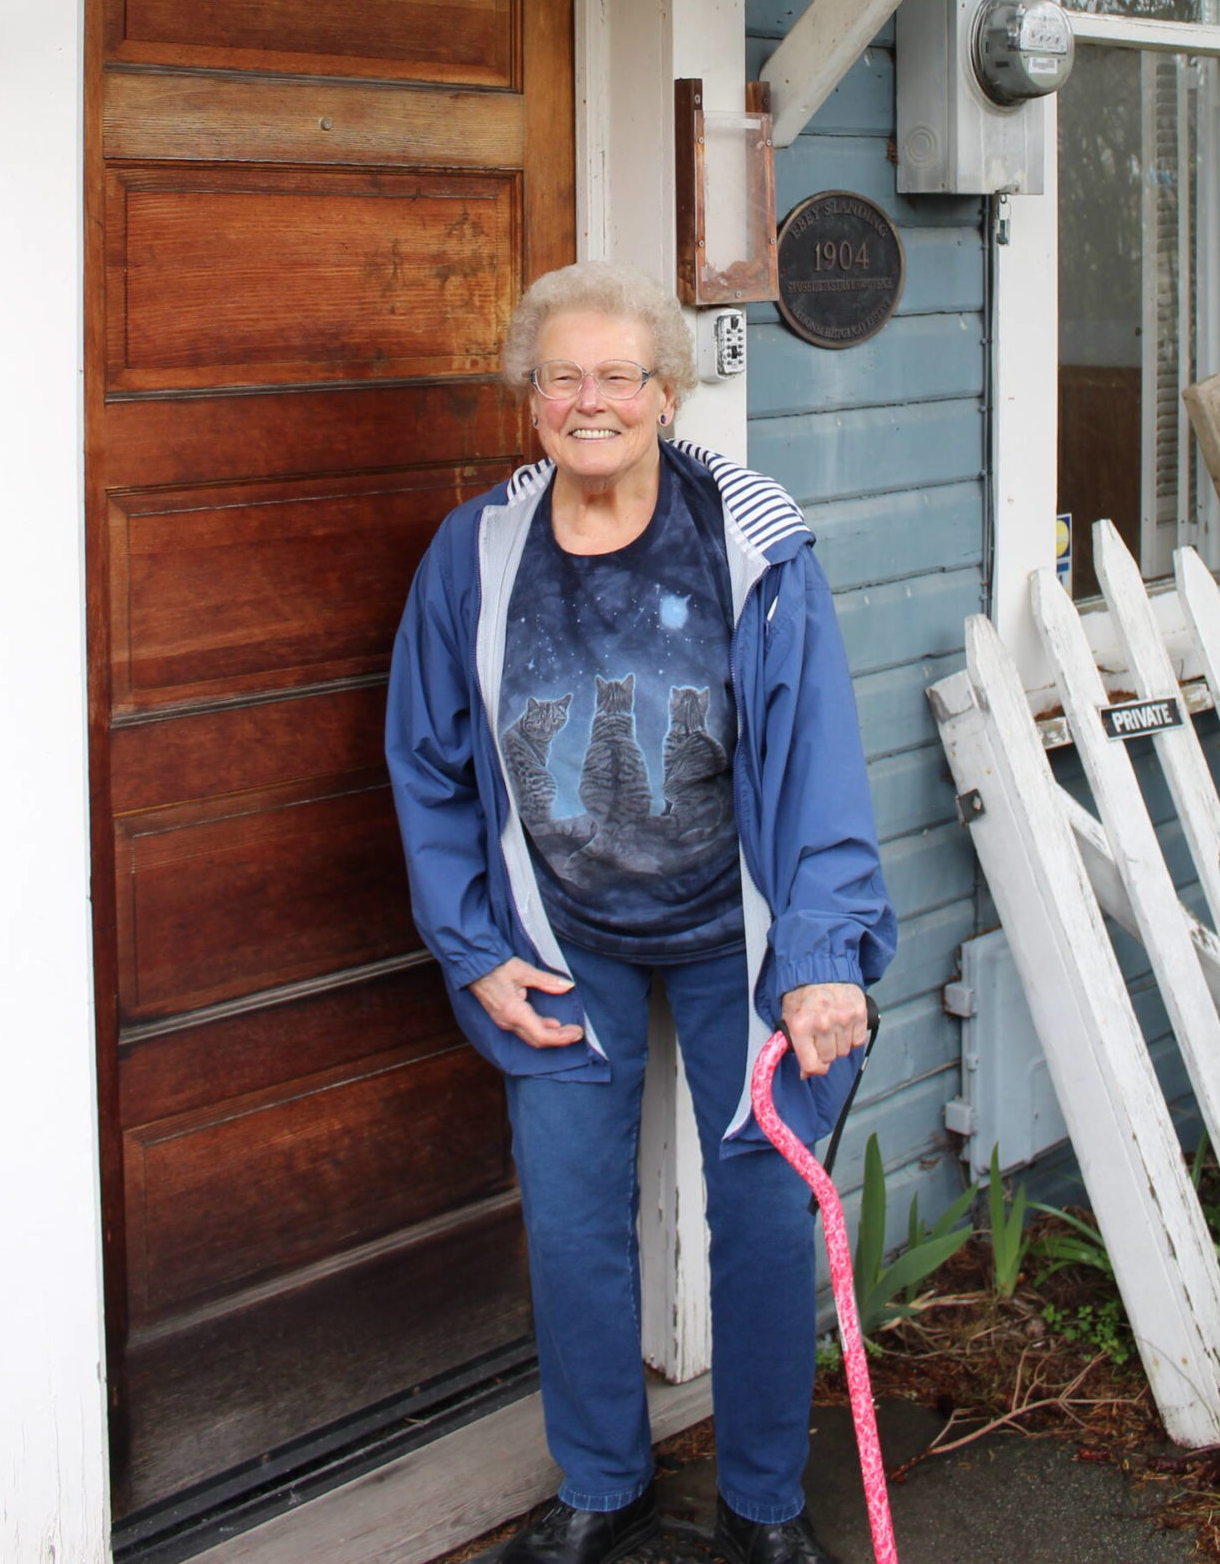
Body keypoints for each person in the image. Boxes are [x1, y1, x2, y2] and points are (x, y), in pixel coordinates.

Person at [386, 262, 895, 1564]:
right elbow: (427, 763)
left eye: (620, 376)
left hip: (745, 936)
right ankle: (604, 1483)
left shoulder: (749, 539)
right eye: (562, 377)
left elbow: (817, 759)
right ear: (531, 399)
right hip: (560, 934)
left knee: (765, 1214)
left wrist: (823, 955)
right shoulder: (477, 554)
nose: (591, 402)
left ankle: (764, 1505)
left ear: (670, 393)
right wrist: (475, 948)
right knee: (569, 1216)